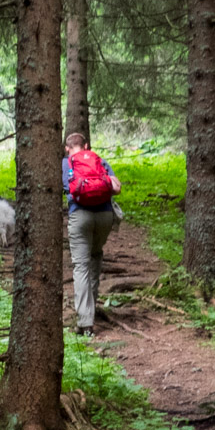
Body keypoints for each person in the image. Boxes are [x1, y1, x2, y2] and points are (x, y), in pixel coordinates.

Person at [62, 132, 121, 335]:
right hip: (104, 215)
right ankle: (91, 310)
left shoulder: (66, 163)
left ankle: (85, 322)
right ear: (86, 145)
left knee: (81, 266)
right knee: (95, 256)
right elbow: (116, 188)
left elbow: (66, 189)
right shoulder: (100, 161)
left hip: (80, 216)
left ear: (67, 148)